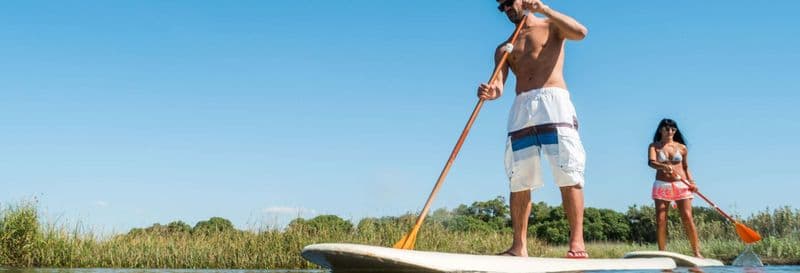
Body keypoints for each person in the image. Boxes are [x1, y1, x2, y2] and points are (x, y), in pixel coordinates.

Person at [477, 0, 589, 258]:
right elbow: (499, 86)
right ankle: (519, 246)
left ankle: (577, 244)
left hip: (554, 101)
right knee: (519, 178)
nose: (507, 9)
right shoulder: (504, 47)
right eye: (502, 7)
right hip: (521, 107)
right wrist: (489, 91)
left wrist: (545, 9)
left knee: (568, 172)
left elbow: (581, 33)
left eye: (509, 3)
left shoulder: (552, 26)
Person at [647, 118, 703, 258]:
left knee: (687, 217)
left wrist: (692, 182)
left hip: (681, 185)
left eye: (673, 129)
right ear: (661, 130)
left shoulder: (682, 147)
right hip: (662, 185)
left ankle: (696, 253)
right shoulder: (654, 146)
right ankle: (662, 253)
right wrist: (663, 166)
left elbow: (685, 167)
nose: (670, 131)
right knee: (661, 219)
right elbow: (651, 162)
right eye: (667, 129)